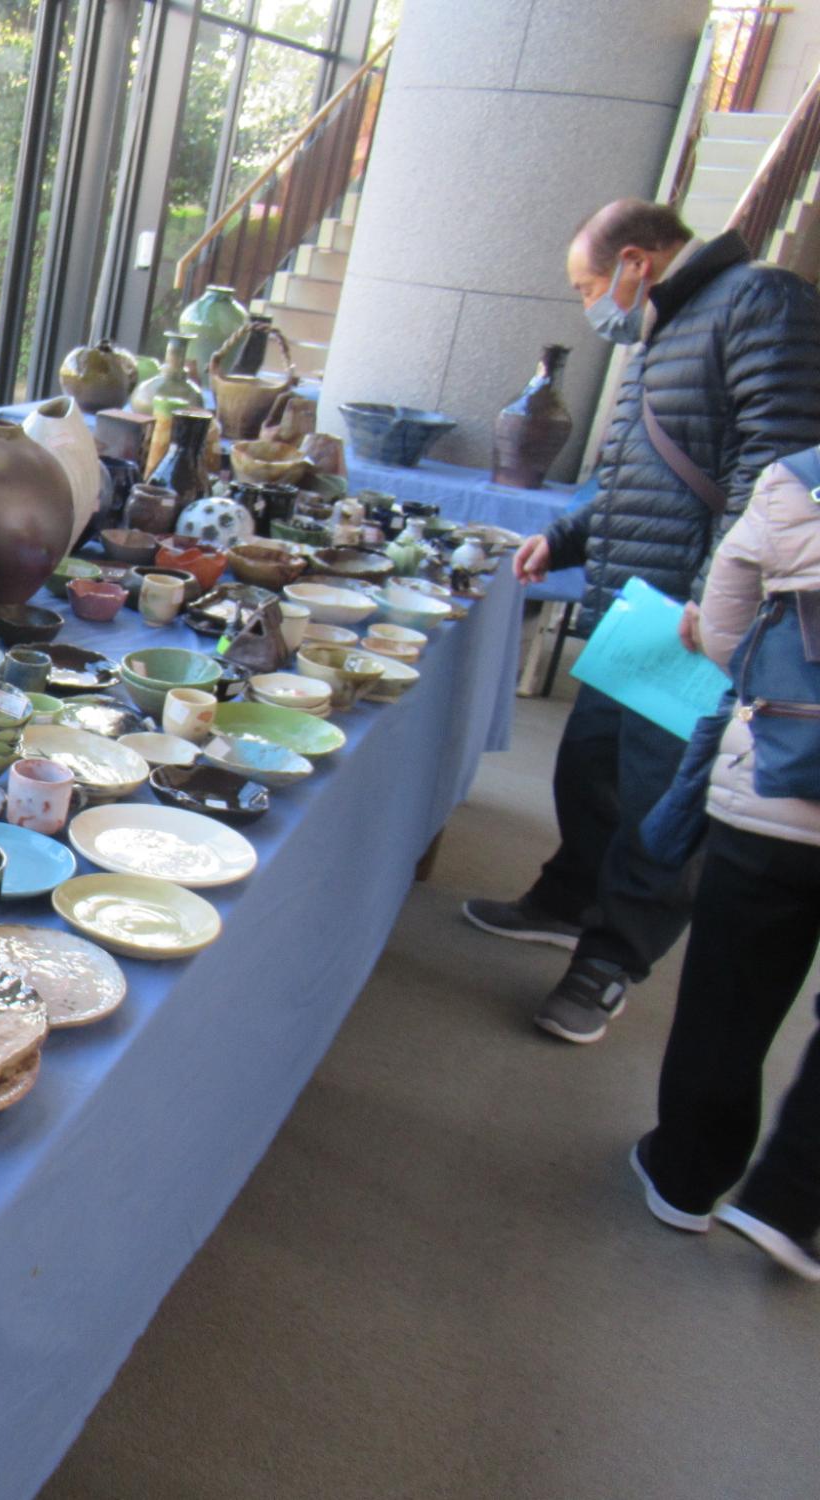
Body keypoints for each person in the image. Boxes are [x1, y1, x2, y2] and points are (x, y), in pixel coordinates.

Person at [463, 198, 820, 1044]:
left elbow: (779, 465)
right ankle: (567, 899)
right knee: (592, 766)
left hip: (698, 617)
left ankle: (611, 961)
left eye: (591, 285)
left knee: (662, 799)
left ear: (636, 260)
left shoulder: (758, 302)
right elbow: (634, 477)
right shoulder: (668, 328)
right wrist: (563, 537)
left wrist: (716, 592)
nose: (594, 306)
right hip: (640, 610)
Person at [629, 453, 820, 1280]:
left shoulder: (797, 483)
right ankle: (791, 1202)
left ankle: (687, 1175)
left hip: (778, 789)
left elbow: (727, 626)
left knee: (731, 992)